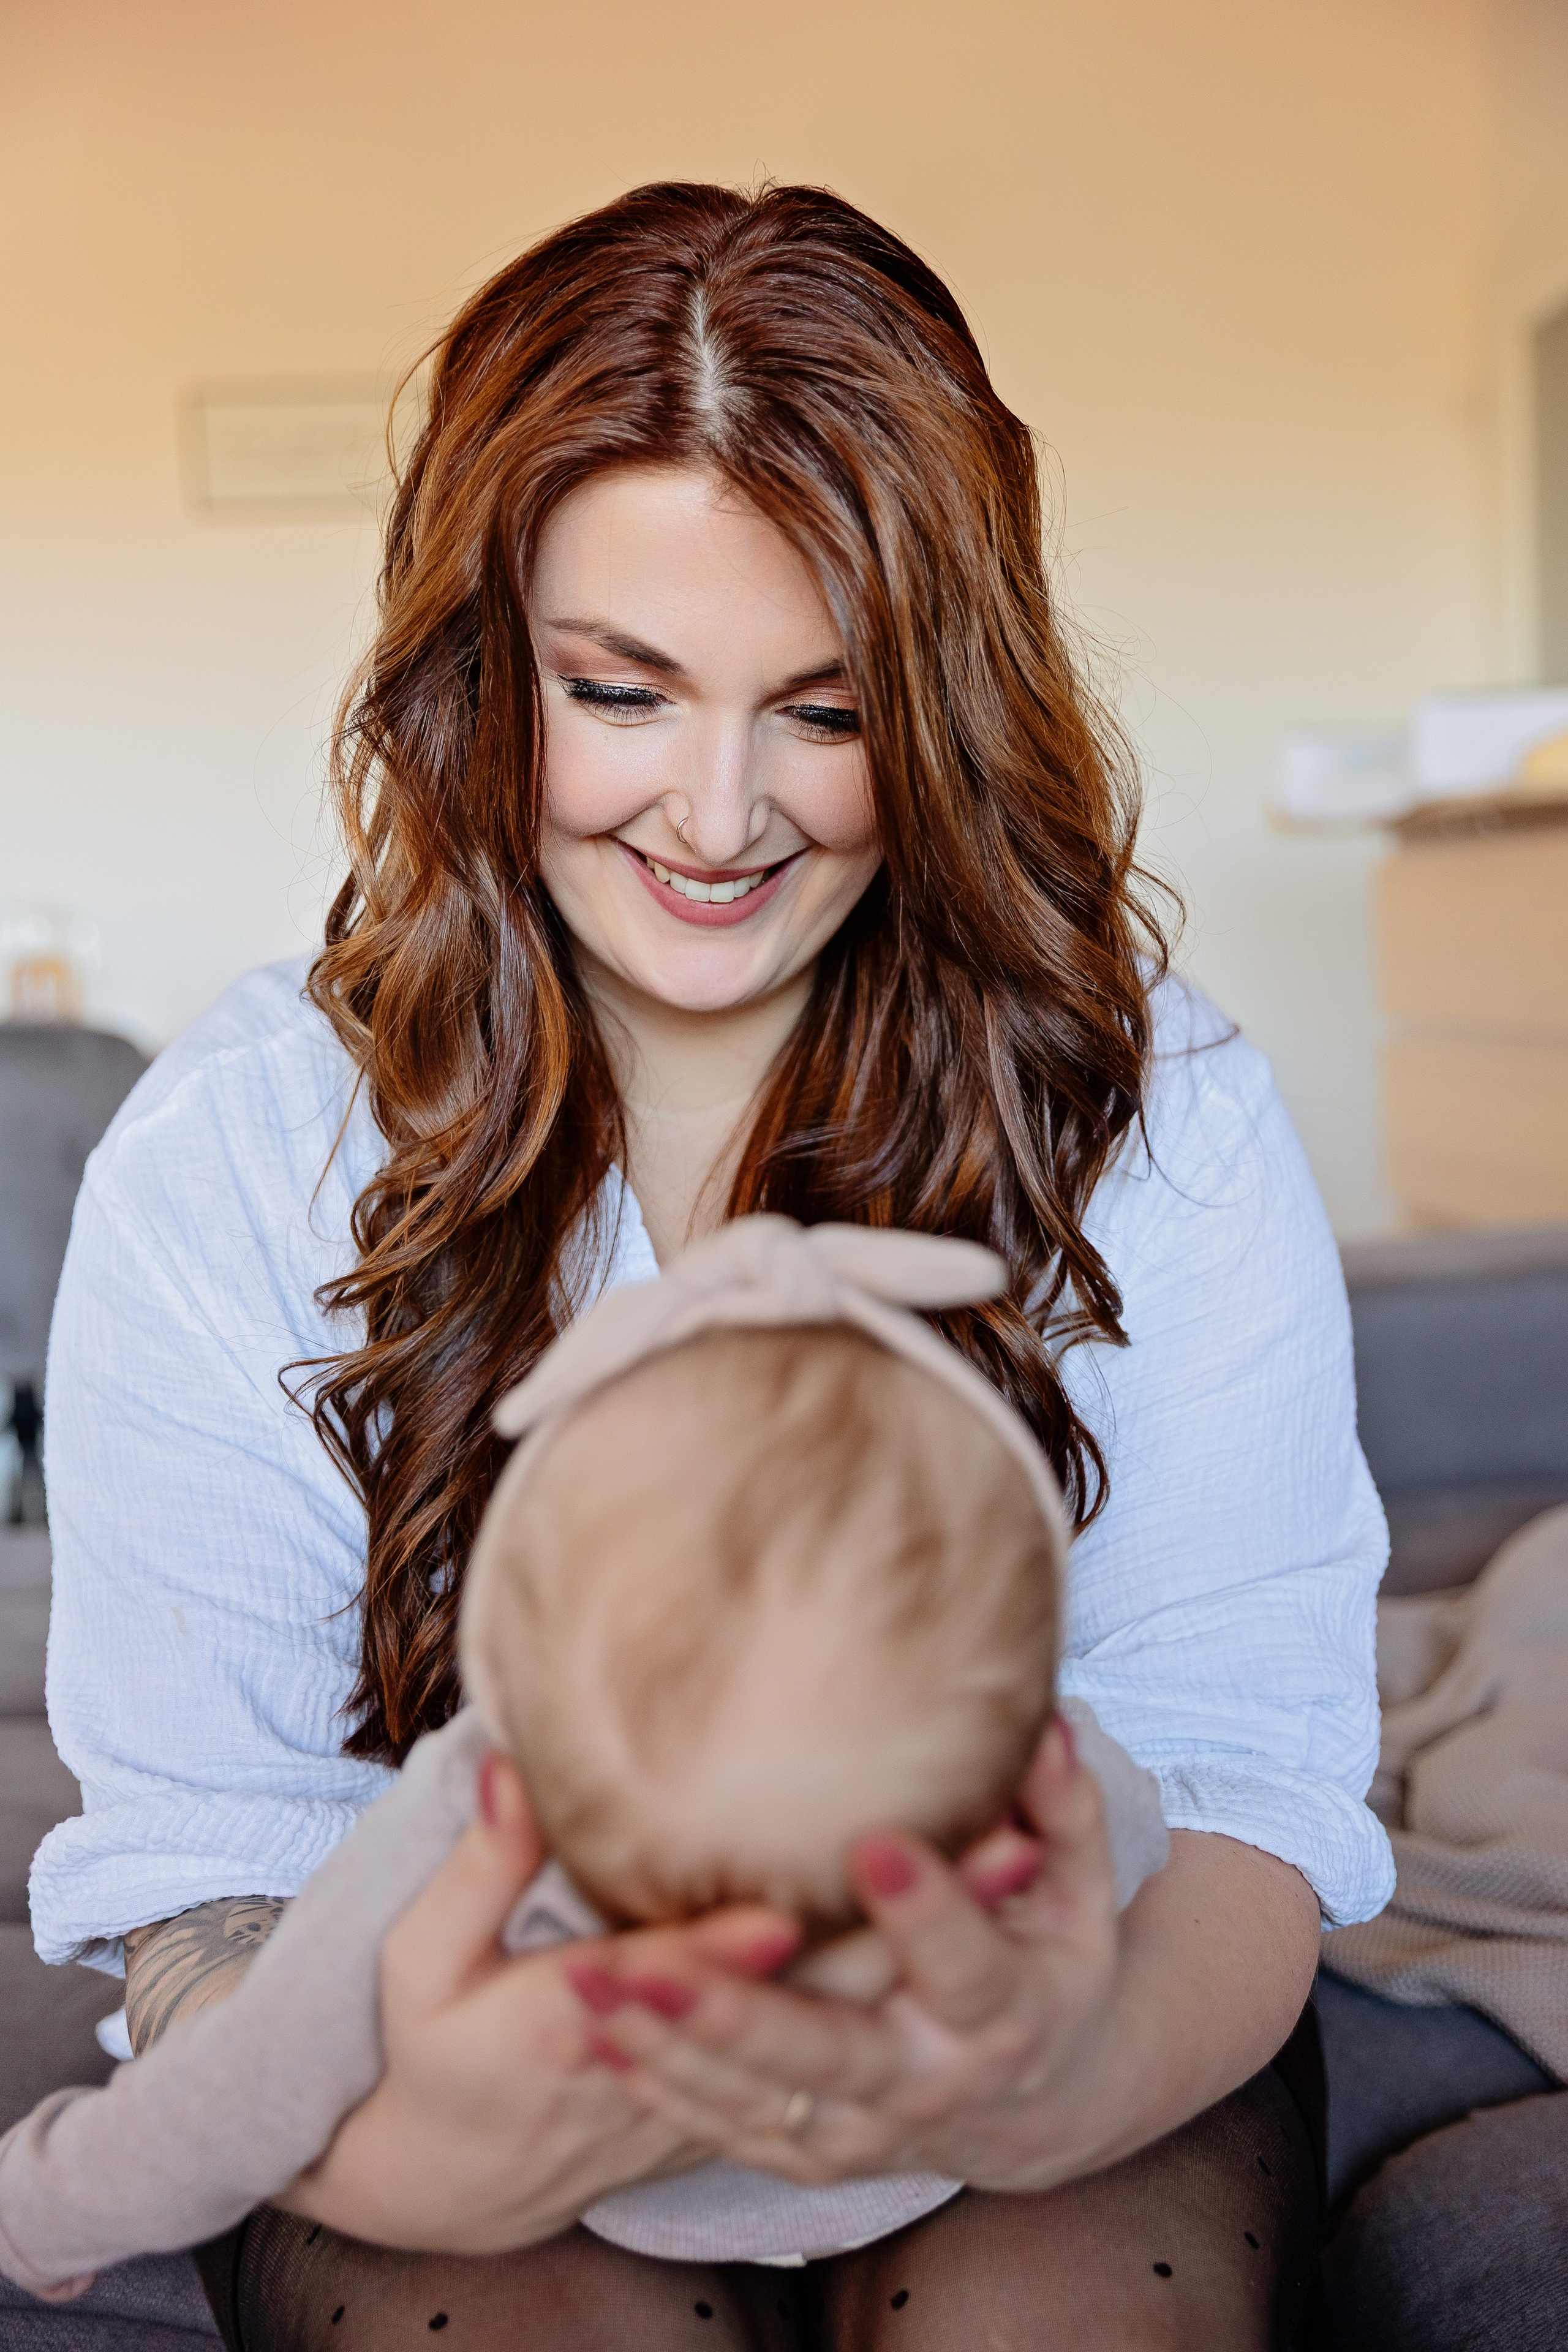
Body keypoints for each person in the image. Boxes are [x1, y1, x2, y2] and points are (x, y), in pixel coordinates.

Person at [34, 181, 1392, 2349]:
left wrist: (1059, 2071)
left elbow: (1238, 1767)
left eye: (826, 711)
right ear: (485, 675)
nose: (722, 812)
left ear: (938, 703)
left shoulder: (1171, 1113)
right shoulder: (236, 1157)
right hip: (436, 2060)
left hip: (1061, 2034)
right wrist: (419, 2146)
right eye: (624, 692)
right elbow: (219, 1863)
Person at [0, 1220, 1169, 2299]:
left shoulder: (488, 1797)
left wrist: (43, 2207)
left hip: (582, 2212)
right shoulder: (1037, 1781)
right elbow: (1143, 1836)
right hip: (933, 2180)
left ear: (507, 1638)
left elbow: (242, 2090)